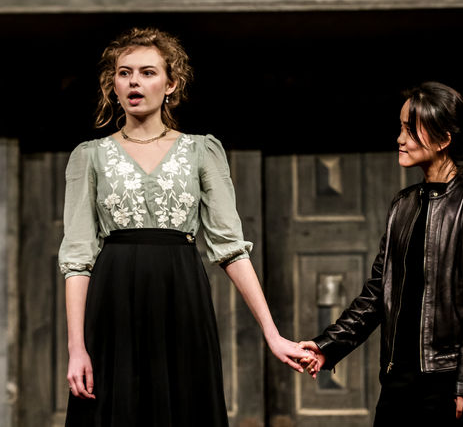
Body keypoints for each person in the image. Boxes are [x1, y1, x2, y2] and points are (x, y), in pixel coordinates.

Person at [58, 27, 309, 427]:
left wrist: (272, 333)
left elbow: (230, 248)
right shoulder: (90, 156)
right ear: (113, 85)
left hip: (182, 295)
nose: (134, 82)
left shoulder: (200, 151)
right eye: (124, 73)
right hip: (113, 302)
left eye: (147, 72)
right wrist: (76, 349)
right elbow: (77, 259)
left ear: (171, 84)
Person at [299, 81, 463, 427]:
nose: (400, 138)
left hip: (454, 384)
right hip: (400, 383)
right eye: (401, 128)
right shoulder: (404, 204)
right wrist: (327, 346)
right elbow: (377, 294)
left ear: (443, 140)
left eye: (410, 130)